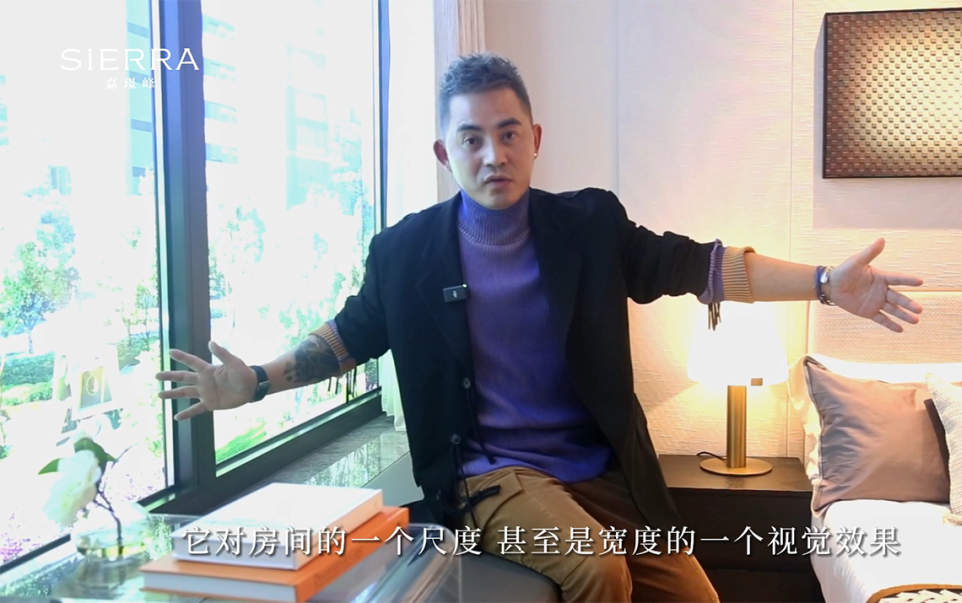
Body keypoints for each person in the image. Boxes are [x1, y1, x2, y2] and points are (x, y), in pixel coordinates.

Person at [157, 53, 923, 603]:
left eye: (509, 132)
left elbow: (700, 265)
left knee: (696, 594)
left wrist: (824, 284)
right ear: (445, 152)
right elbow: (347, 336)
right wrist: (254, 382)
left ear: (535, 138)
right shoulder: (406, 252)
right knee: (596, 568)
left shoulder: (588, 225)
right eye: (472, 138)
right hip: (488, 474)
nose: (494, 154)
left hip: (598, 471)